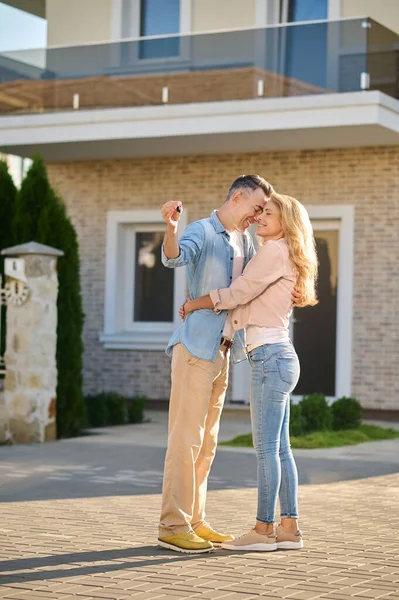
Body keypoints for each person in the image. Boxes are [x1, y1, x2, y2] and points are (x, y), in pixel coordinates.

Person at [181, 193, 318, 552]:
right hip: (281, 357)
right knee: (281, 449)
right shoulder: (285, 250)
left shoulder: (275, 250)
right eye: (260, 213)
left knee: (266, 450)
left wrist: (195, 302)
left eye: (267, 214)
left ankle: (263, 531)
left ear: (285, 221)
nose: (260, 219)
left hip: (270, 359)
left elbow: (239, 291)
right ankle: (289, 528)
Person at [158, 175, 274, 554]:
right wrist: (171, 229)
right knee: (185, 440)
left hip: (224, 349)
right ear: (237, 198)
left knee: (206, 444)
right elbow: (175, 257)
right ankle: (172, 525)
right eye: (256, 208)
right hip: (194, 350)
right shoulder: (203, 230)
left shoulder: (244, 241)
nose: (257, 217)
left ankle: (195, 520)